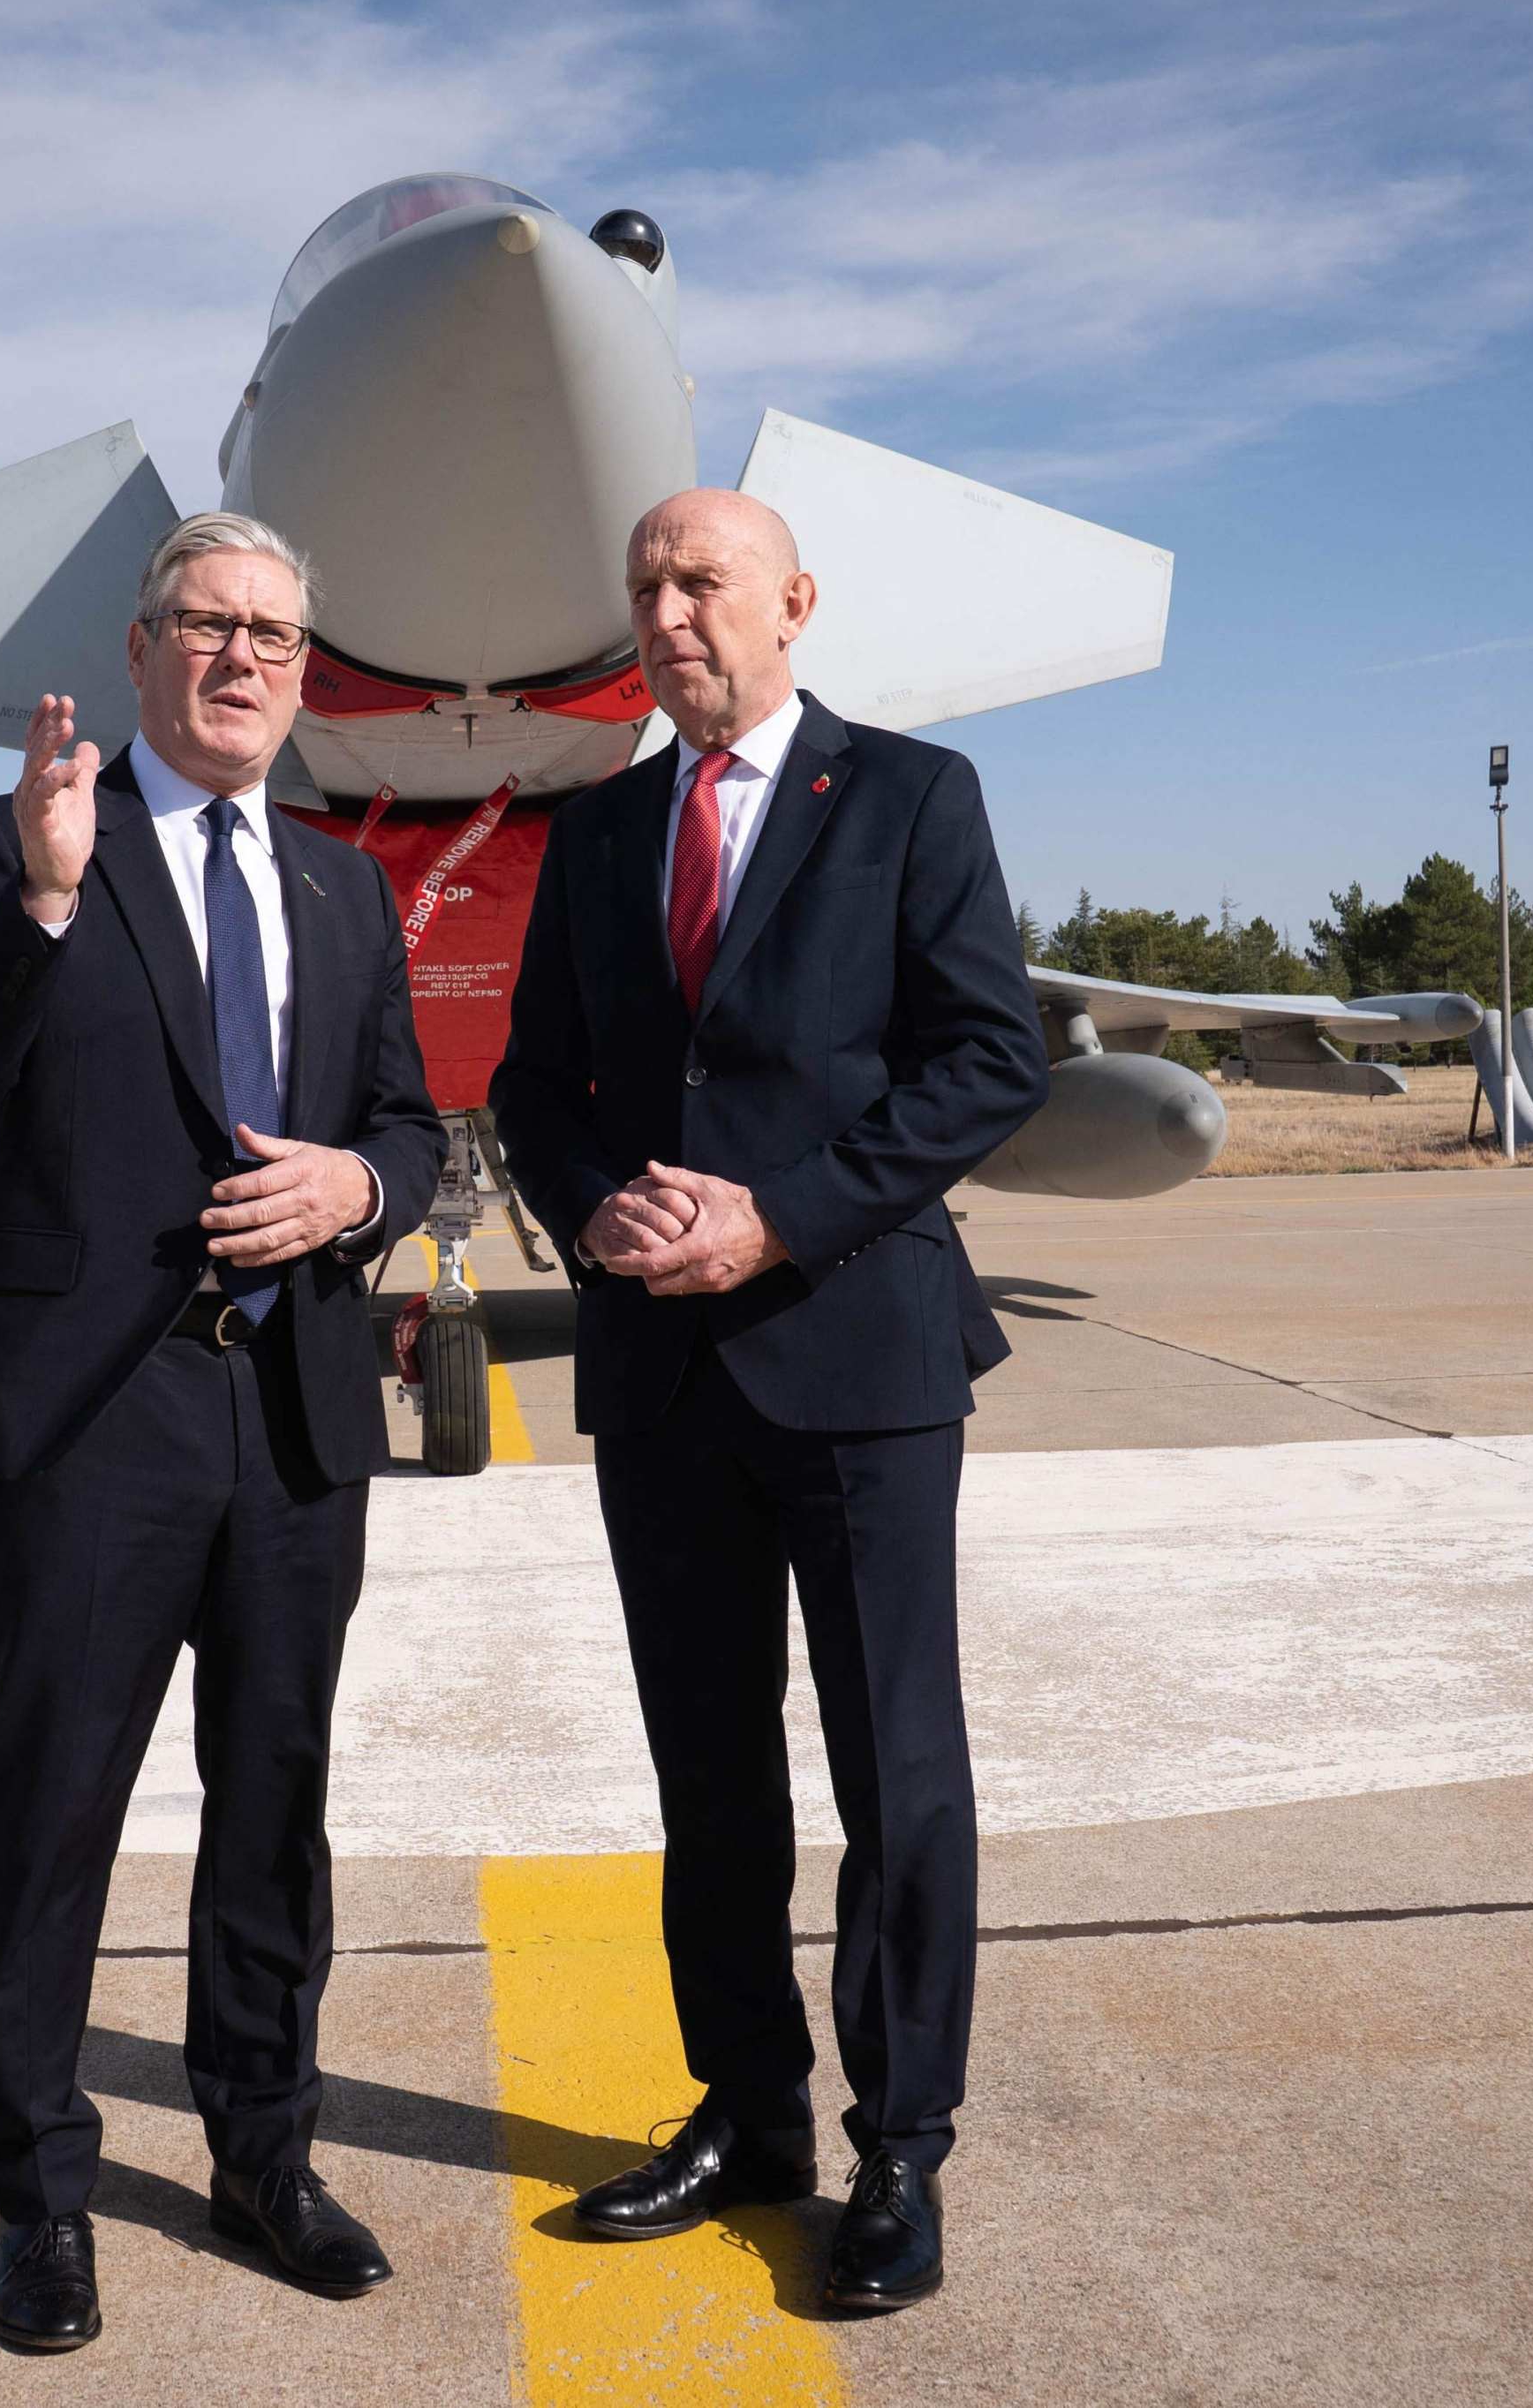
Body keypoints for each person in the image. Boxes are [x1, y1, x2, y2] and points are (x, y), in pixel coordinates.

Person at [487, 487, 1048, 2314]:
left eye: (699, 580)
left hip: (858, 1360)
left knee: (897, 1770)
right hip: (660, 1369)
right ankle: (748, 2110)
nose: (665, 611)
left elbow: (986, 1060)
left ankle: (900, 2145)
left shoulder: (905, 798)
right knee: (706, 1773)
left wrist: (776, 1216)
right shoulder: (595, 834)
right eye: (642, 585)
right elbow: (535, 1085)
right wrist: (603, 1210)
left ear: (790, 602)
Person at [0, 510, 444, 2351]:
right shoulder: (23, 838)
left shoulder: (340, 889)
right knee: (52, 1807)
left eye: (276, 636)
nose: (243, 660)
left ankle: (261, 2152)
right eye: (207, 625)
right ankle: (37, 2192)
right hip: (90, 1415)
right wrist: (46, 900)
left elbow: (409, 1123)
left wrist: (358, 1189)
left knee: (273, 1804)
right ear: (139, 652)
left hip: (288, 1408)